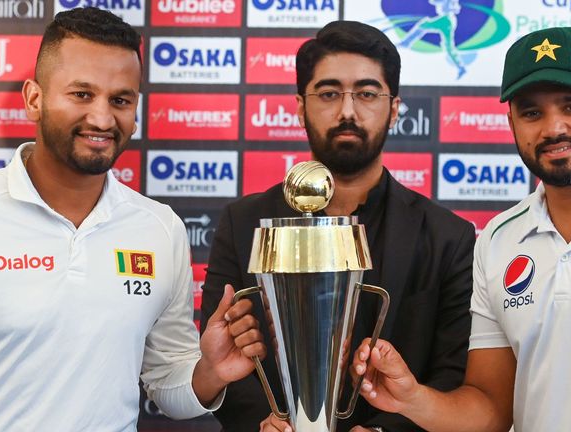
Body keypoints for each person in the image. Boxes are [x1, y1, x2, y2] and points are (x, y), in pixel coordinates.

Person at [348, 26, 571, 432]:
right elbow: (491, 409)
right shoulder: (498, 238)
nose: (553, 128)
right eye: (532, 113)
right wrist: (413, 399)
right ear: (512, 123)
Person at [0, 7, 265, 431]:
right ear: (34, 99)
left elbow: (168, 386)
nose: (101, 118)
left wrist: (210, 372)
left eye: (120, 100)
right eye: (81, 94)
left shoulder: (160, 228)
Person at [201, 20, 476, 432]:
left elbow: (453, 374)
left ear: (395, 107)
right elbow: (223, 359)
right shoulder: (243, 223)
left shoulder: (447, 237)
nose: (348, 111)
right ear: (299, 106)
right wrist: (265, 420)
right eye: (329, 93)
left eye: (366, 93)